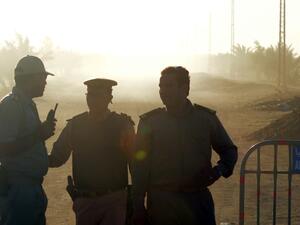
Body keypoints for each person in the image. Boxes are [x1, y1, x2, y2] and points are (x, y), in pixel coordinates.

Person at [132, 66, 238, 225]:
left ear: (185, 89)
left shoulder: (205, 119)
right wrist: (138, 204)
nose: (163, 91)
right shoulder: (150, 122)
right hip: (162, 204)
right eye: (161, 86)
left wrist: (217, 171)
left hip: (197, 202)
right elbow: (139, 166)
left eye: (169, 86)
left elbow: (229, 151)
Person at [48, 78, 135, 225]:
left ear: (109, 98)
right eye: (90, 95)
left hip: (114, 200)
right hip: (85, 201)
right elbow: (56, 158)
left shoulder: (122, 125)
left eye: (98, 95)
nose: (93, 100)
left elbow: (135, 164)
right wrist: (33, 147)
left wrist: (137, 200)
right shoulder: (75, 125)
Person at [0, 55, 56, 225]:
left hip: (29, 187)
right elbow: (4, 147)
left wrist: (42, 134)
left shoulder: (25, 104)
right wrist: (39, 135)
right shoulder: (12, 105)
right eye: (43, 77)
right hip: (18, 188)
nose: (45, 82)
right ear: (30, 78)